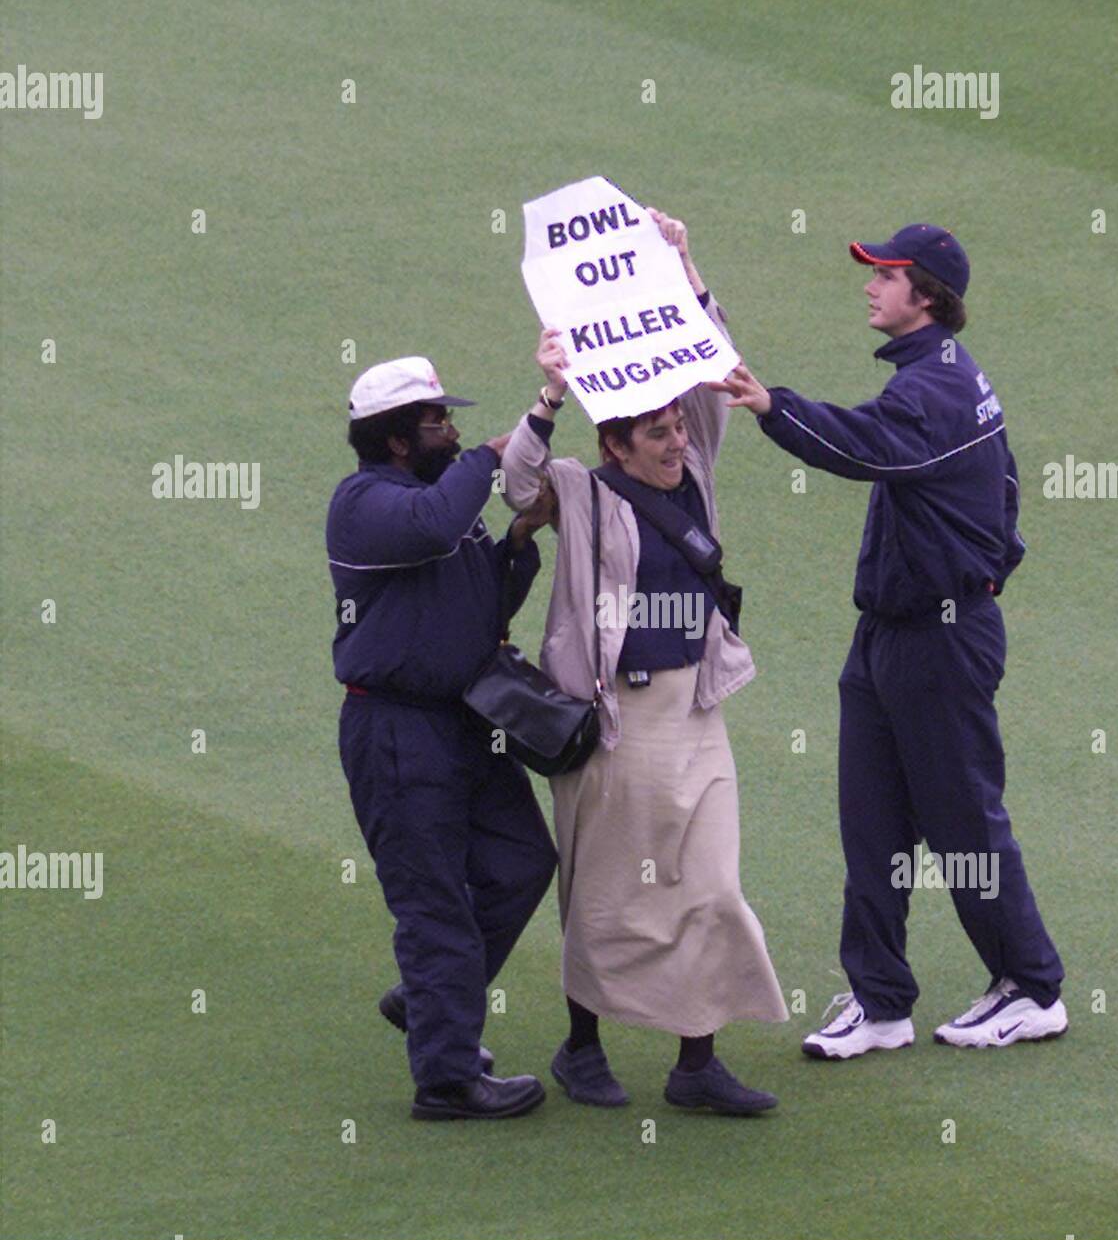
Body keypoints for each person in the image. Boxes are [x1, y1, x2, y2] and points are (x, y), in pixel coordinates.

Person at [711, 223, 1067, 1055]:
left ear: (929, 295)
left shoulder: (934, 389)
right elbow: (1005, 491)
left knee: (962, 826)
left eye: (887, 275)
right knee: (871, 821)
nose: (871, 285)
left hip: (941, 640)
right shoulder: (943, 377)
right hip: (889, 634)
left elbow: (866, 447)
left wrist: (774, 407)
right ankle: (879, 1002)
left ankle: (1032, 986)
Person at [502, 209, 788, 1114]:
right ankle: (582, 1048)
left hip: (696, 712)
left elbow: (715, 373)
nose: (676, 443)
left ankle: (696, 1063)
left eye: (676, 430)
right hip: (614, 723)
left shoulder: (695, 463)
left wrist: (685, 268)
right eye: (656, 435)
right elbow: (513, 485)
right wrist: (547, 396)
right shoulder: (581, 491)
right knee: (606, 894)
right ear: (614, 443)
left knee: (710, 888)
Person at [327, 354, 560, 1120]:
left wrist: (520, 537)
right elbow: (435, 529)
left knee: (522, 862)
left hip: (464, 723)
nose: (453, 429)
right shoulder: (367, 502)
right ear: (397, 440)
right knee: (435, 907)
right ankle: (447, 1079)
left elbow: (483, 603)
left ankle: (431, 999)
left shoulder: (435, 505)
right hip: (395, 731)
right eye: (437, 421)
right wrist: (493, 455)